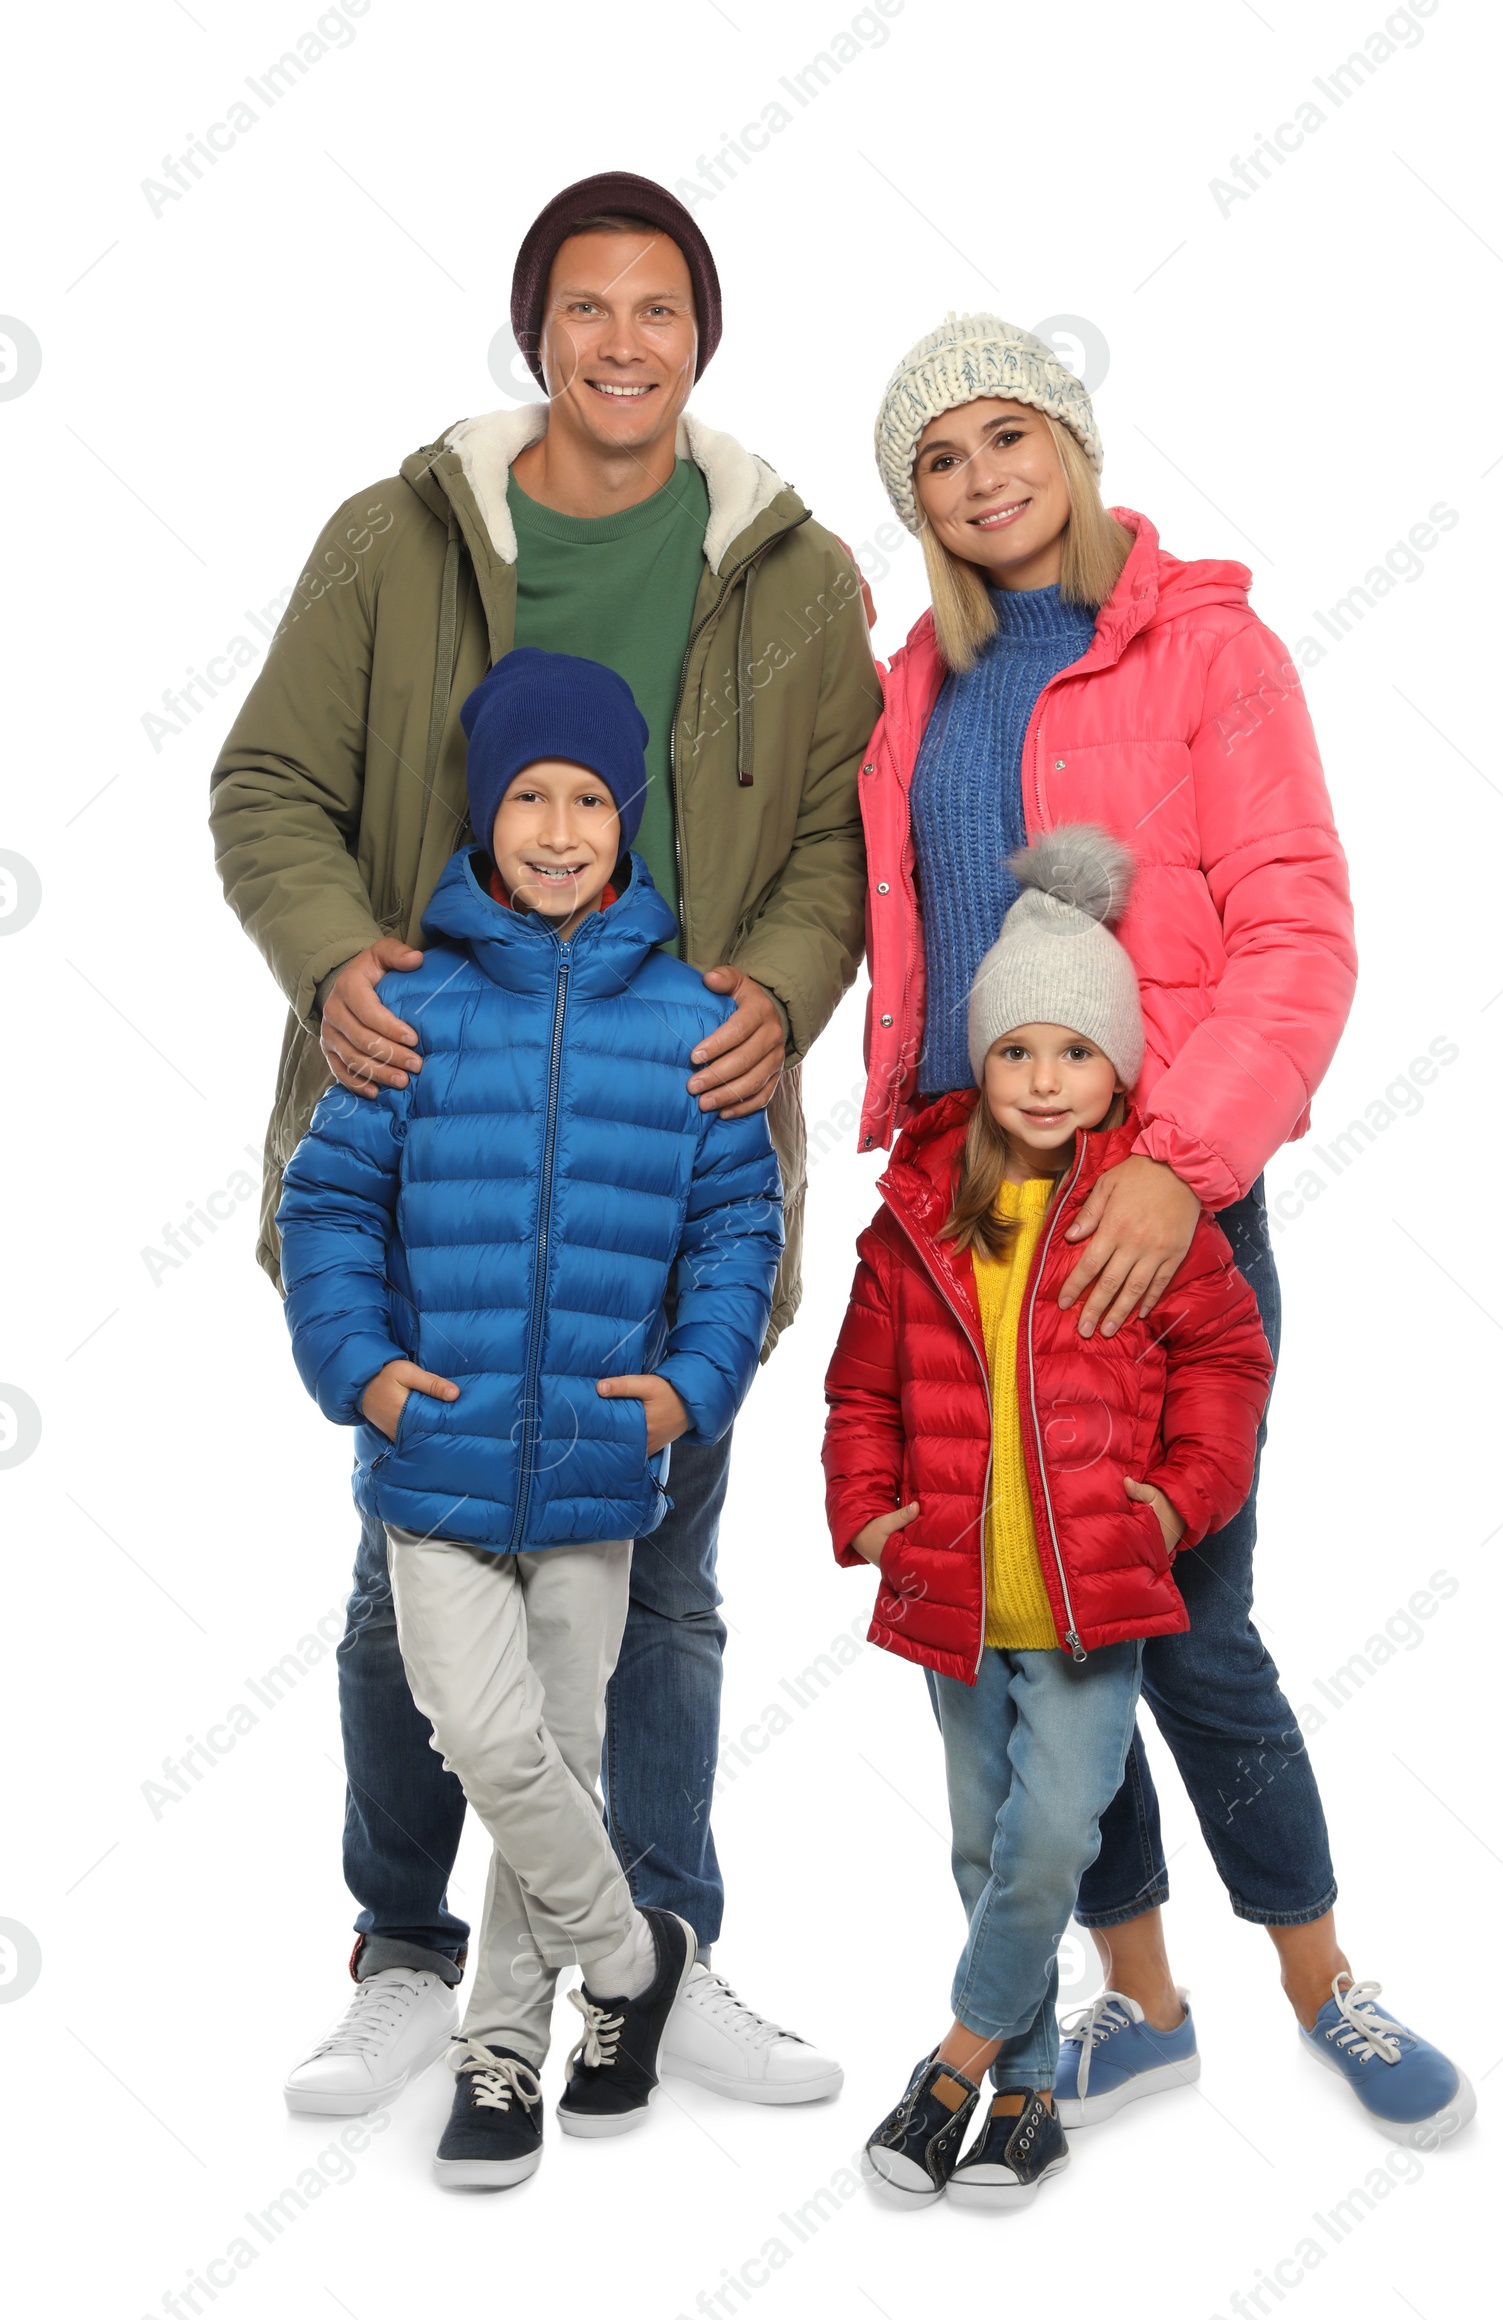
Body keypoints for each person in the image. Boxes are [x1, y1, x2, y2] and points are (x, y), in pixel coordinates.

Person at [211, 171, 876, 2117]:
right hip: (445, 1113)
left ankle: (646, 1951)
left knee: (659, 1586)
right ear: (532, 332)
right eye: (581, 306)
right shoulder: (397, 538)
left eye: (654, 307)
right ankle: (411, 1950)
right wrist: (339, 957)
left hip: (672, 1133)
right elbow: (268, 780)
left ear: (701, 336)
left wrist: (778, 980)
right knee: (401, 1578)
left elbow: (832, 830)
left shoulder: (780, 560)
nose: (617, 340)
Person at [854, 313, 1472, 2148]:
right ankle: (1138, 2003)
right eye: (940, 463)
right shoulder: (916, 684)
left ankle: (1321, 1981)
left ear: (1072, 442)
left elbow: (1300, 930)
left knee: (1191, 1619)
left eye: (1006, 437)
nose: (982, 482)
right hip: (972, 1214)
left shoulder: (1208, 647)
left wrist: (1178, 1158)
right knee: (1040, 1631)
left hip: (1156, 1203)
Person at [276, 648, 785, 2183]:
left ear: (624, 822)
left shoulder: (688, 1020)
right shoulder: (411, 1006)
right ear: (483, 817)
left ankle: (502, 2056)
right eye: (526, 800)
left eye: (585, 801)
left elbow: (736, 1229)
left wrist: (691, 1391)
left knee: (557, 1753)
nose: (556, 830)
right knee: (486, 1737)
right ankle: (638, 1964)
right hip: (432, 1457)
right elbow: (331, 1202)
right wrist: (360, 1368)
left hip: (597, 1467)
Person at [824, 827, 1274, 2206]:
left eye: (1075, 1054)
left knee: (1055, 1834)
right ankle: (1028, 2099)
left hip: (1090, 1601)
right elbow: (860, 1389)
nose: (1043, 1079)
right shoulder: (917, 1220)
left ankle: (954, 2057)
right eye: (1017, 1051)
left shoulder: (1155, 1218)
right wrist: (873, 1518)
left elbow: (1227, 1362)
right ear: (984, 1060)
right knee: (979, 1842)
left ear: (1119, 1066)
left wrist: (1176, 1498)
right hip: (957, 1596)